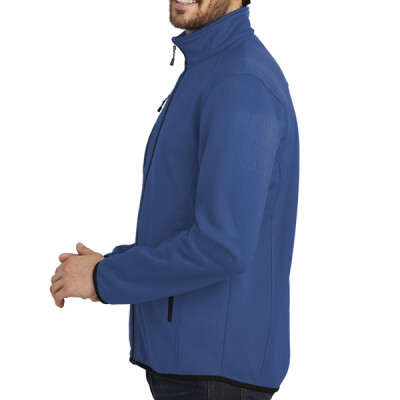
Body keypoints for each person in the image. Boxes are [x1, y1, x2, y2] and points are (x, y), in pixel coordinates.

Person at [50, 0, 299, 398]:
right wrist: (109, 266)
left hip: (214, 374)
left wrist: (103, 279)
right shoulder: (208, 69)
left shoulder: (241, 81)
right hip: (192, 365)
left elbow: (222, 247)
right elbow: (182, 224)